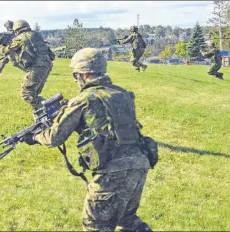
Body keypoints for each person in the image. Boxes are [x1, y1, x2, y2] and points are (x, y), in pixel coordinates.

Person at [23, 48, 153, 231]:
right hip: (140, 165)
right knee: (127, 220)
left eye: (76, 76)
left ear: (84, 74)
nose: (76, 80)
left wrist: (35, 137)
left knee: (94, 225)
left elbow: (54, 138)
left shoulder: (83, 100)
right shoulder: (122, 94)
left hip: (112, 172)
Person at [0, 20, 55, 110]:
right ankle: (45, 111)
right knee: (33, 94)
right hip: (47, 66)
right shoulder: (35, 34)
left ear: (17, 30)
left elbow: (6, 51)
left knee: (26, 94)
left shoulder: (21, 37)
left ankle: (51, 109)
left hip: (37, 68)